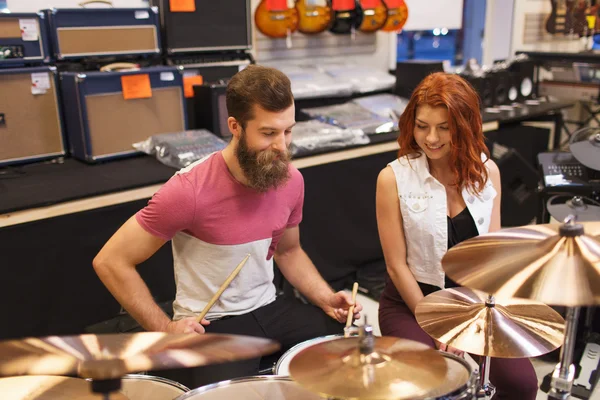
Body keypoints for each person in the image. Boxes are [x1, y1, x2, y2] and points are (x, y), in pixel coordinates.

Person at [92, 64, 361, 387]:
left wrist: (325, 298)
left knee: (347, 354)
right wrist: (164, 328)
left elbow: (289, 252)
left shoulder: (290, 180)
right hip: (213, 321)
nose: (282, 146)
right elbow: (110, 261)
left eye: (288, 131)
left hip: (270, 306)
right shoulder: (188, 191)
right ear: (235, 126)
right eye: (268, 133)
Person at [376, 72, 538, 399]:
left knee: (522, 384)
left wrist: (472, 318)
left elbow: (491, 259)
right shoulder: (392, 179)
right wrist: (439, 325)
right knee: (433, 382)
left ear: (464, 127)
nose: (431, 138)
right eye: (422, 126)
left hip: (471, 303)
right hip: (412, 303)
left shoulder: (487, 172)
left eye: (444, 127)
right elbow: (396, 266)